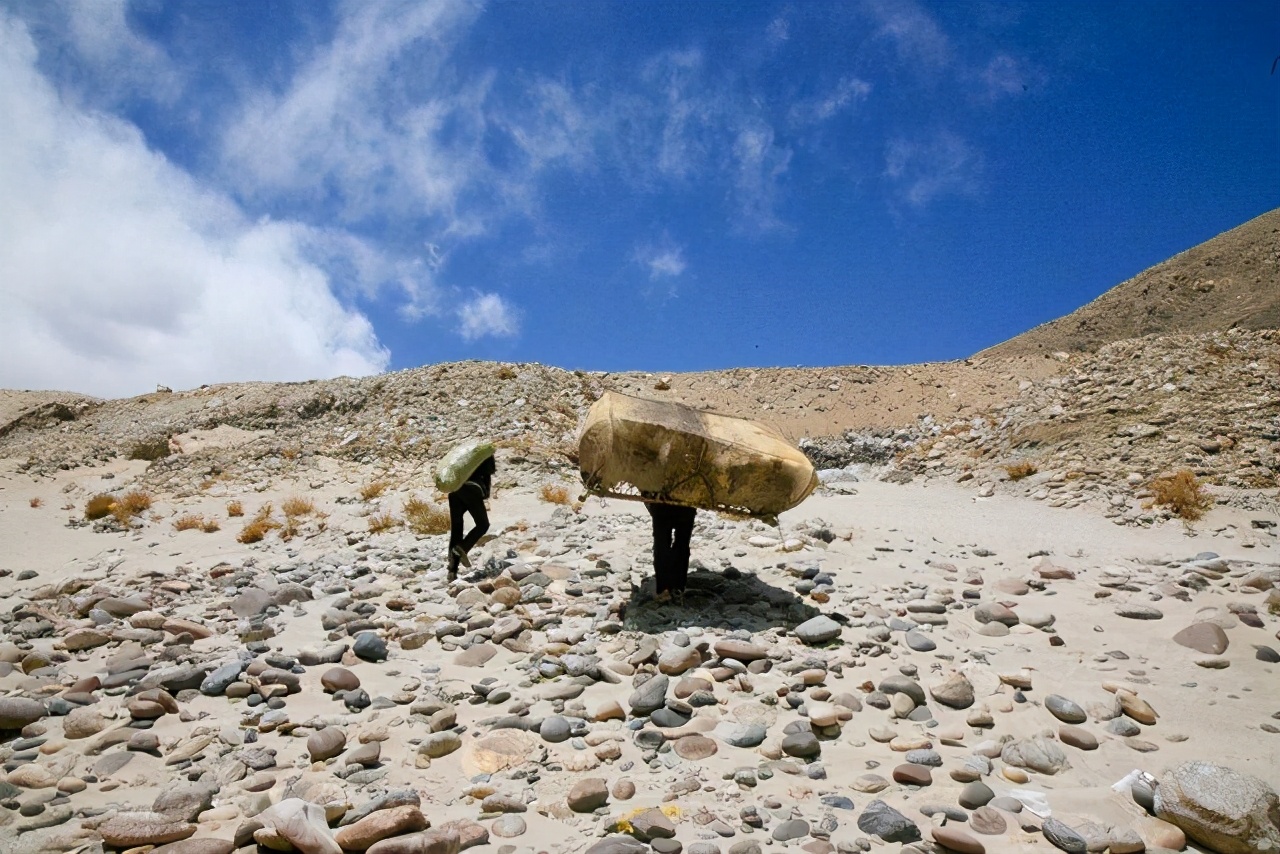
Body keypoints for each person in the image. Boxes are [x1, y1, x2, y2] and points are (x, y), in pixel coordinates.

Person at [447, 455, 496, 580]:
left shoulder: (464, 457)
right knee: (483, 524)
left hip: (455, 491)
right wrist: (485, 493)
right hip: (472, 489)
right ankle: (462, 548)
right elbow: (488, 474)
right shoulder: (486, 454)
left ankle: (452, 570)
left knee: (456, 530)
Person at [645, 501, 696, 604]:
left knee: (661, 545)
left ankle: (664, 589)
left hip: (661, 503)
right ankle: (678, 588)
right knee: (682, 544)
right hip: (686, 503)